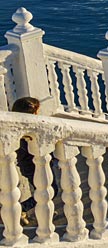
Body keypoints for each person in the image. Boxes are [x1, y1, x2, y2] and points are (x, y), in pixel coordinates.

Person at [12, 97, 59, 226]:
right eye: (36, 113)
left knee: (43, 189)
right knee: (50, 190)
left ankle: (39, 211)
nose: (38, 115)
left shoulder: (23, 129)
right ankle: (20, 209)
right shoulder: (27, 132)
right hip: (34, 166)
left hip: (30, 166)